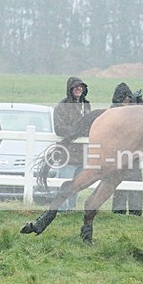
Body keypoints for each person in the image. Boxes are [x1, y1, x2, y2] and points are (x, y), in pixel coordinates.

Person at [52, 76, 91, 210]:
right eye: (76, 86)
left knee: (76, 186)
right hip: (67, 154)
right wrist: (77, 131)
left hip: (82, 155)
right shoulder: (61, 107)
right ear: (70, 89)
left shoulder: (86, 106)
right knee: (64, 186)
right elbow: (59, 128)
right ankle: (61, 212)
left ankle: (72, 211)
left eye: (81, 86)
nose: (79, 89)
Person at [110, 82, 143, 216]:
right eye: (124, 97)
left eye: (128, 97)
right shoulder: (113, 112)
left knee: (136, 185)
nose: (127, 100)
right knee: (119, 186)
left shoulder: (132, 111)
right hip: (119, 157)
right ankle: (118, 212)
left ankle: (136, 213)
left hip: (134, 157)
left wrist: (139, 102)